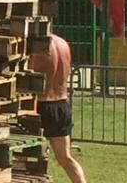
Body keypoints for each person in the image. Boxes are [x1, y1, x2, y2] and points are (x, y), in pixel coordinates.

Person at [30, 33, 87, 183]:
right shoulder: (63, 43)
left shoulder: (36, 45)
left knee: (27, 155)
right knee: (65, 157)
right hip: (61, 104)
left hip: (39, 104)